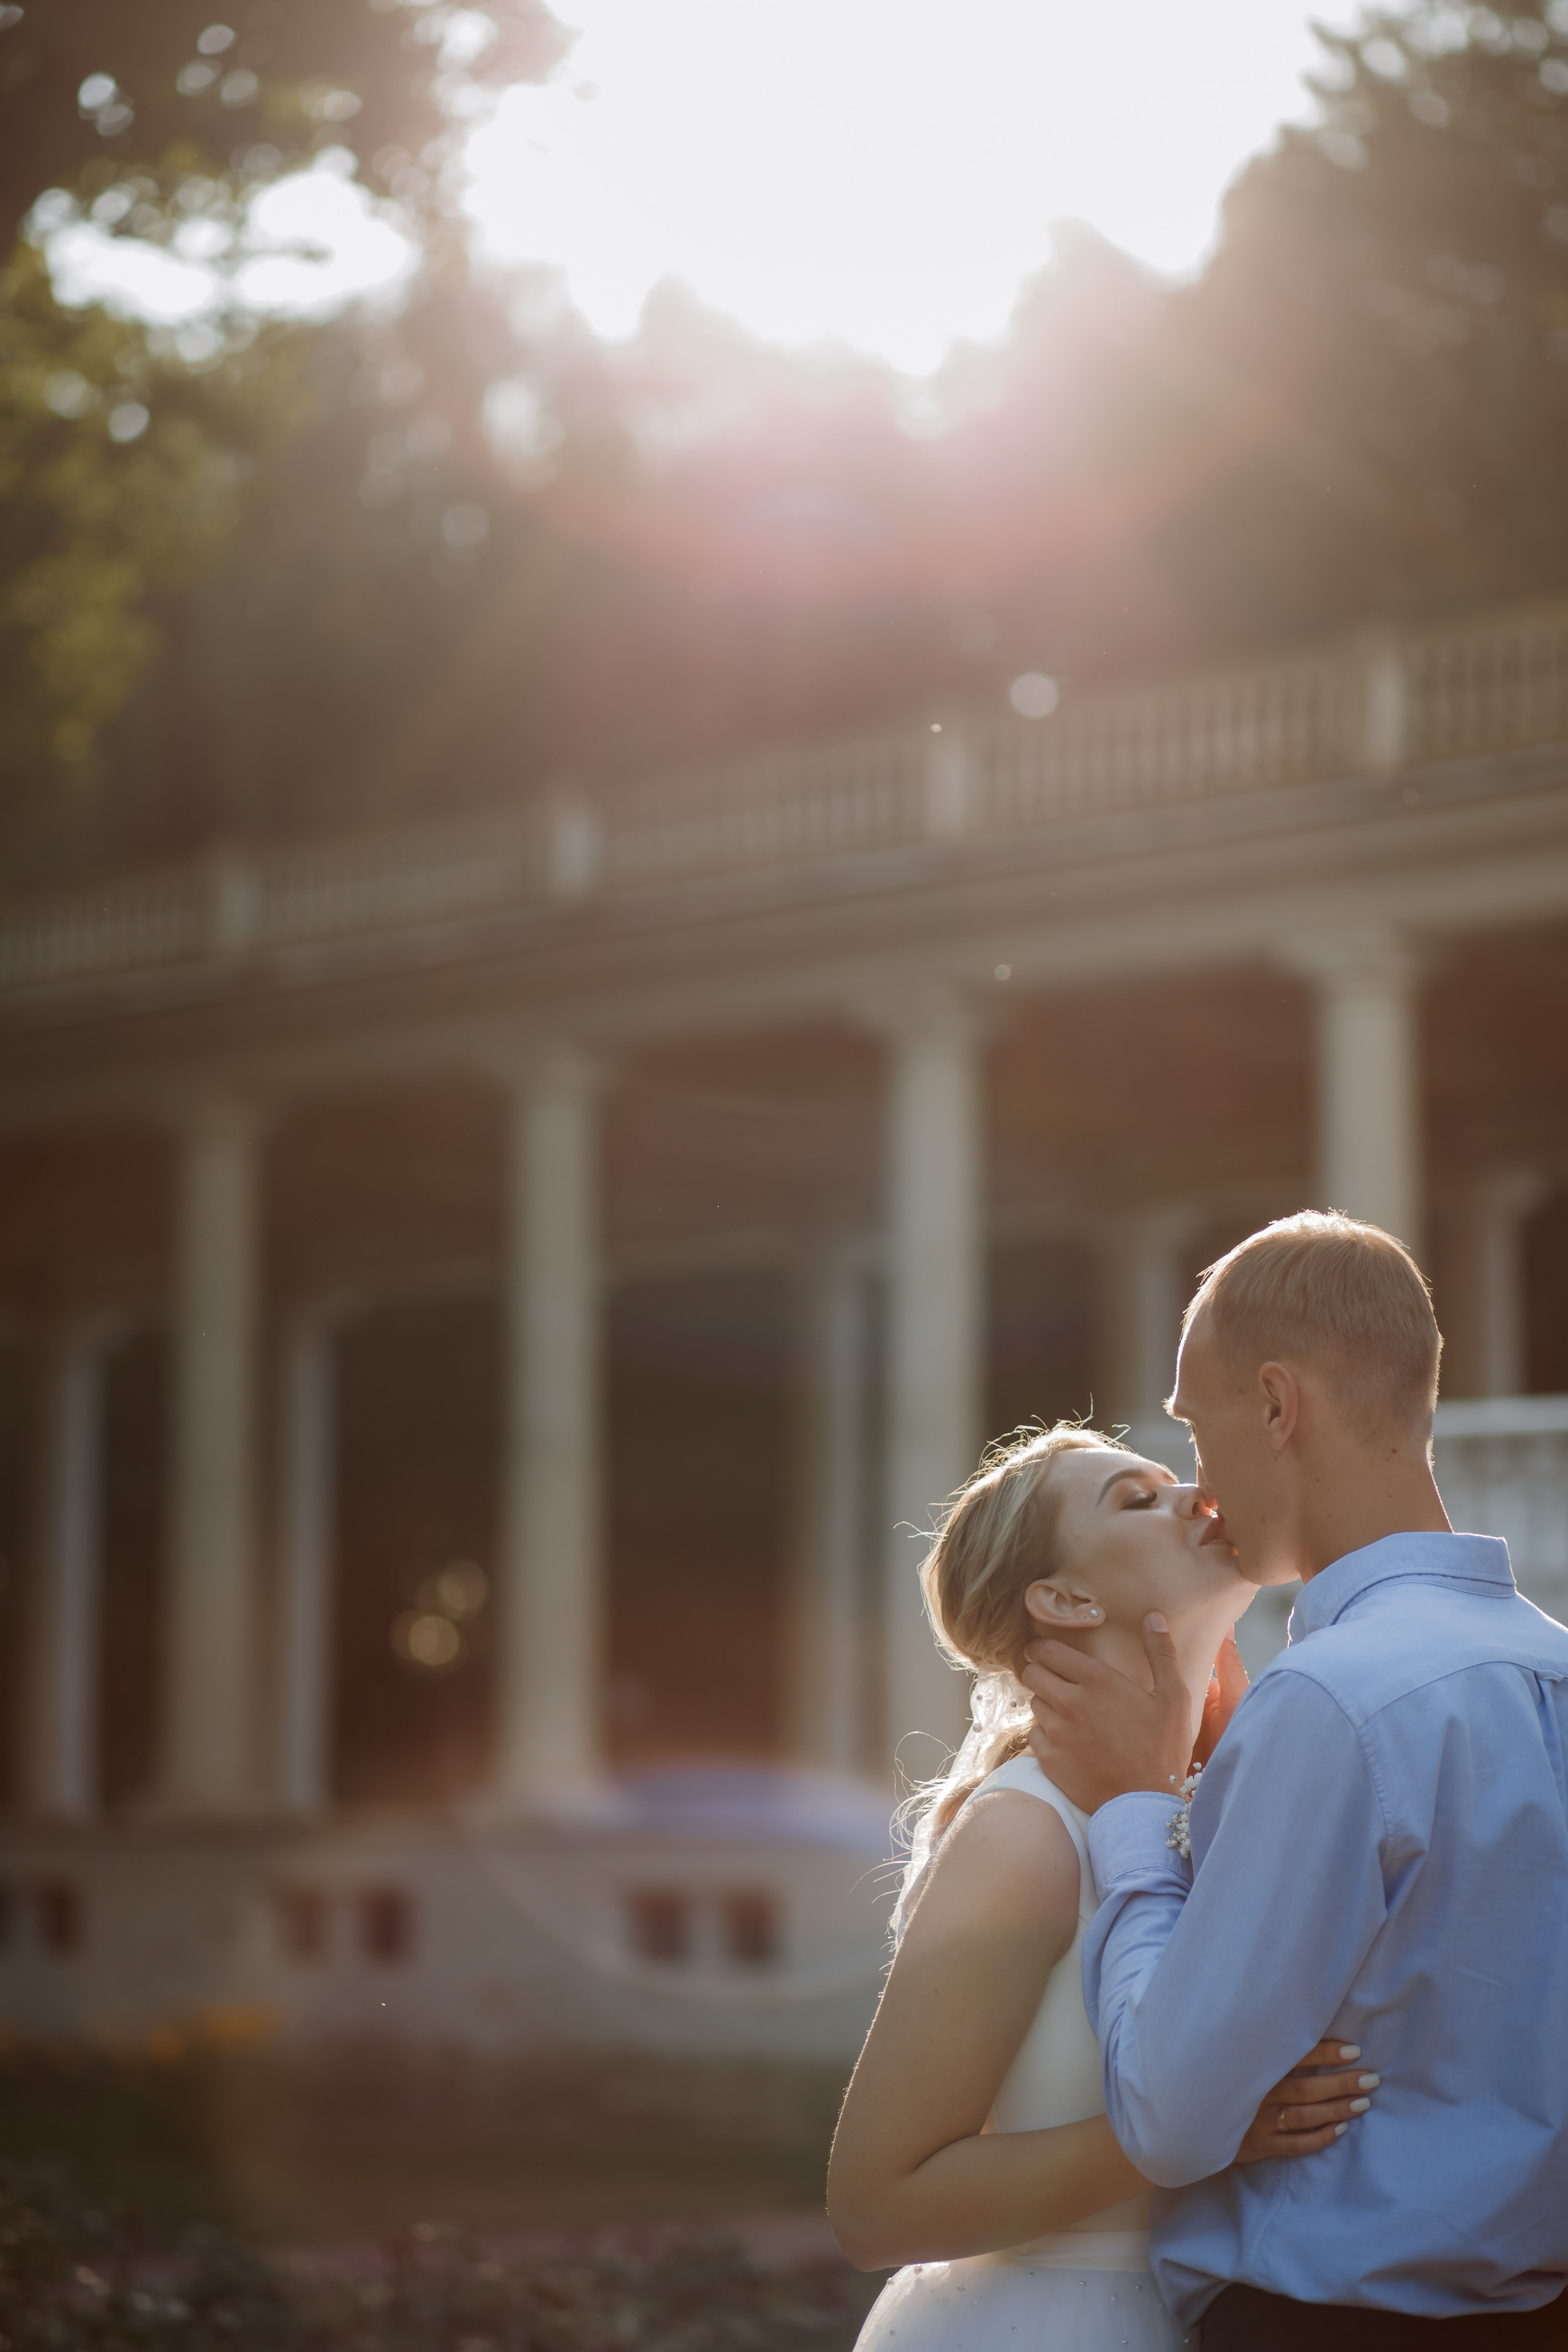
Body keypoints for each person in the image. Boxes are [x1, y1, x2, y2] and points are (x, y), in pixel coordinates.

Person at [1023, 1212, 1568, 2346]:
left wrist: (1133, 1808)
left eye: (1196, 1424)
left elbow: (1171, 2118)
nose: (1199, 1480)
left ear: (1276, 1406)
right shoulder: (1552, 1668)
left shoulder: (1331, 1700)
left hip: (1325, 2323)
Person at [827, 1422, 1377, 2352]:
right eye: (1138, 1499)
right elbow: (877, 2209)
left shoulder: (1235, 1798)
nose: (1198, 1495)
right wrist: (1205, 2127)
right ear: (1066, 1600)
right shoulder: (1025, 1835)